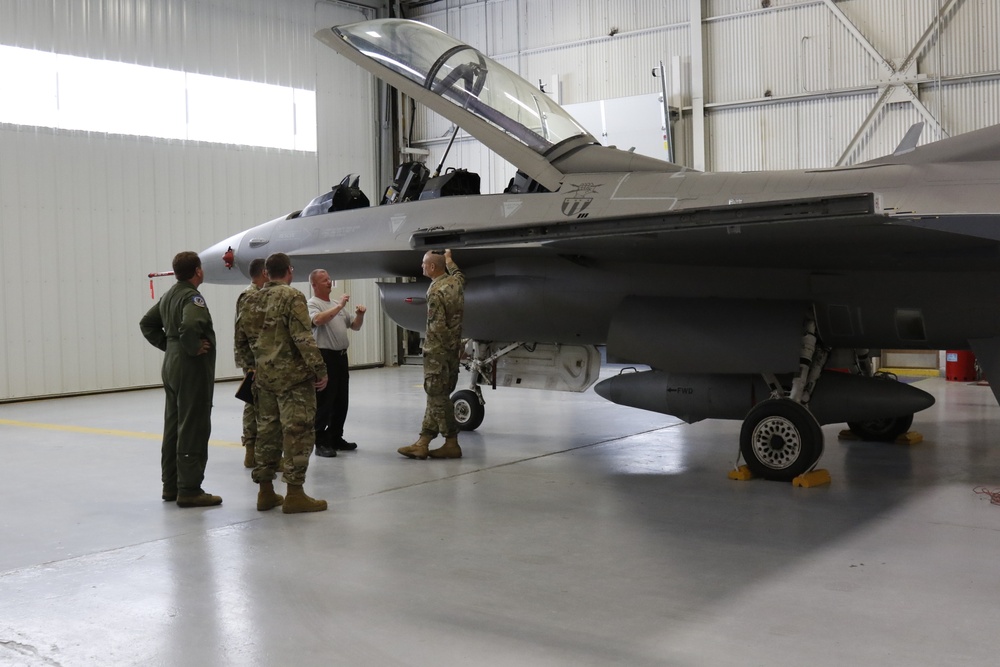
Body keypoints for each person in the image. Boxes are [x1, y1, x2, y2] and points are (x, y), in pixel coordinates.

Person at [235, 252, 329, 513]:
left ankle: (265, 493)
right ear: (289, 270)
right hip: (293, 380)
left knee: (267, 432)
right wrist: (320, 370)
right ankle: (295, 494)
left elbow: (240, 339)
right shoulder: (292, 296)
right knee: (297, 431)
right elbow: (303, 338)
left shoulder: (249, 298)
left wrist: (250, 369)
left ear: (267, 272)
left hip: (263, 378)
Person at [139, 251, 221, 507]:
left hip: (172, 364)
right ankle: (189, 489)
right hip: (189, 366)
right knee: (193, 424)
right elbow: (190, 325)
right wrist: (191, 346)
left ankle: (171, 486)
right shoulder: (191, 297)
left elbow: (147, 323)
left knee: (174, 424)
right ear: (198, 271)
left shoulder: (170, 295)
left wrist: (169, 345)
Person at [398, 249, 466, 460]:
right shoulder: (455, 283)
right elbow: (460, 276)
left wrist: (443, 350)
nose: (421, 267)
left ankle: (451, 441)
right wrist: (450, 261)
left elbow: (437, 327)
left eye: (424, 264)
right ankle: (423, 442)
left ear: (432, 267)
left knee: (437, 395)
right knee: (435, 396)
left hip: (438, 352)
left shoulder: (436, 291)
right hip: (452, 350)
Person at [308, 269, 366, 457]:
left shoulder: (334, 305)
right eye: (324, 280)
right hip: (326, 357)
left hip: (341, 358)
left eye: (329, 279)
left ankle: (335, 437)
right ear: (314, 285)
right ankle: (321, 441)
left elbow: (354, 326)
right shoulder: (313, 304)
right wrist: (340, 306)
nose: (328, 282)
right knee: (325, 401)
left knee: (341, 400)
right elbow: (317, 321)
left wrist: (360, 315)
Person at [235, 258, 268, 469]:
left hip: (261, 358)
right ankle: (251, 450)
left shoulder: (260, 294)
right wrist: (252, 364)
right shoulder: (251, 296)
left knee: (260, 404)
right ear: (265, 272)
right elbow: (247, 332)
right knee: (254, 404)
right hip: (256, 360)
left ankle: (257, 452)